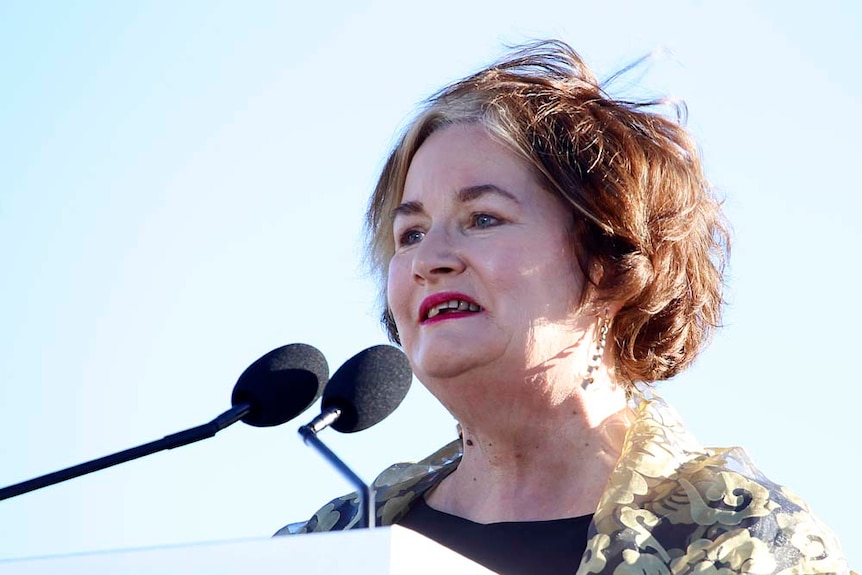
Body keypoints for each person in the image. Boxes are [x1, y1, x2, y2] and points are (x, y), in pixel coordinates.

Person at [277, 40, 852, 575]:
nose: (430, 260)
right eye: (410, 233)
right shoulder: (338, 543)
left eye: (483, 219)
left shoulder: (742, 540)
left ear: (606, 261)